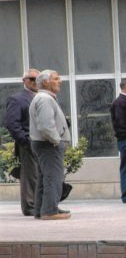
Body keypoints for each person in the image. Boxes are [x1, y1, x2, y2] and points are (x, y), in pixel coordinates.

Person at [29, 70, 71, 220]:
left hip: (44, 144)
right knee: (53, 178)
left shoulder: (43, 98)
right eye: (56, 78)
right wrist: (57, 141)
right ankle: (49, 211)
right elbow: (46, 126)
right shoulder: (45, 99)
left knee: (44, 178)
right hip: (48, 145)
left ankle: (42, 209)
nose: (60, 81)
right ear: (45, 82)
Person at [4, 69, 40, 216]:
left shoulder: (44, 97)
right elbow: (12, 123)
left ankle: (43, 204)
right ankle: (30, 206)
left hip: (44, 143)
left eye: (37, 79)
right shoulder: (17, 99)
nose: (35, 82)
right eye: (31, 79)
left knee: (43, 175)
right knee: (30, 176)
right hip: (28, 143)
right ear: (24, 80)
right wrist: (25, 141)